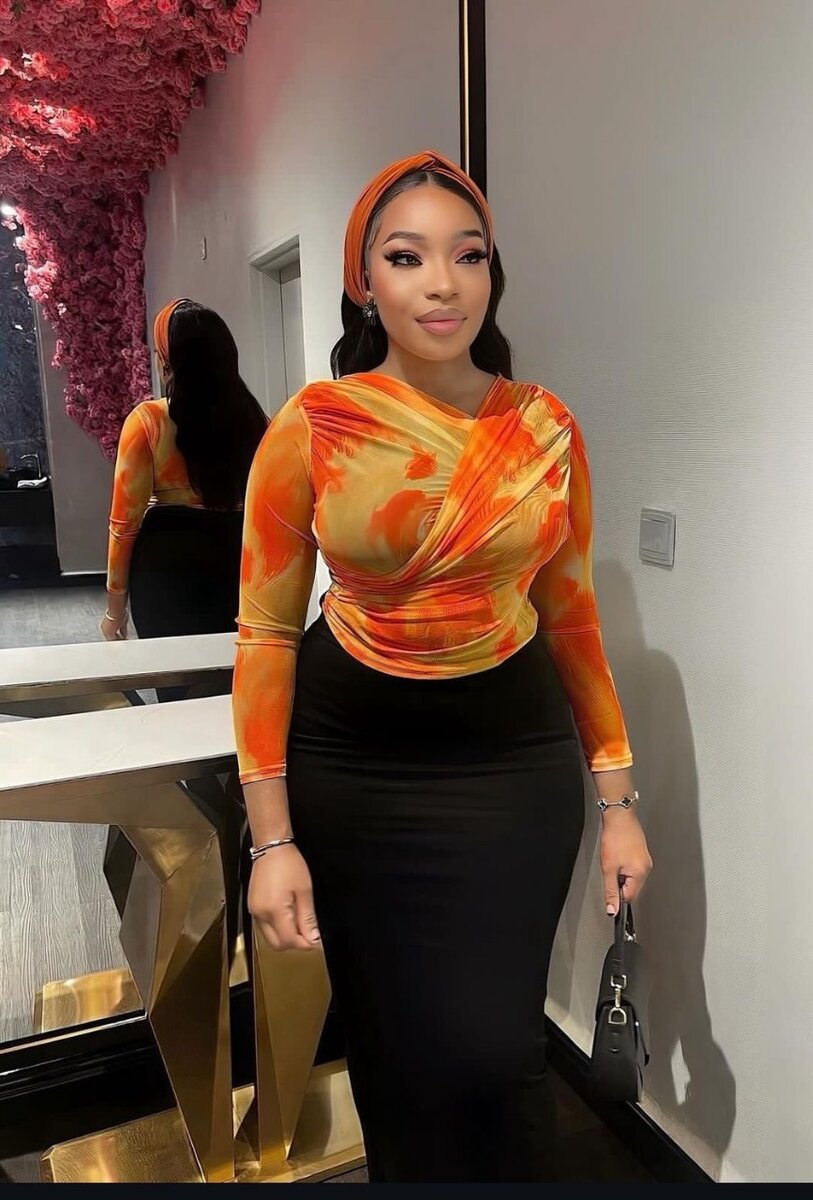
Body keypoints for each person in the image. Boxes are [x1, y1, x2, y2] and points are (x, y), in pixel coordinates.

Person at [231, 150, 653, 1182]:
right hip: (353, 766)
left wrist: (618, 803)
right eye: (406, 256)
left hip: (510, 762)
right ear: (362, 280)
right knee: (394, 1049)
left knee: (499, 1050)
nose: (442, 284)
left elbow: (571, 618)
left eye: (468, 256)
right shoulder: (313, 426)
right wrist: (270, 838)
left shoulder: (543, 427)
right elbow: (265, 631)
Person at [101, 299, 268, 644]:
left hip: (165, 568)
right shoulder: (257, 421)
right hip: (239, 565)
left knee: (173, 669)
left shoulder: (147, 422)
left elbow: (123, 527)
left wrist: (114, 610)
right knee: (232, 669)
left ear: (167, 363)